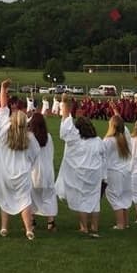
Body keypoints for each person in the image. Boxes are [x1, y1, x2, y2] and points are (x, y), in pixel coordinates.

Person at [0, 80, 40, 239]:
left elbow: (3, 110)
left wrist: (3, 89)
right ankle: (28, 229)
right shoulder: (30, 138)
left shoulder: (4, 133)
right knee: (25, 201)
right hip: (22, 173)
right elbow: (34, 155)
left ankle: (4, 228)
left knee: (5, 199)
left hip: (5, 172)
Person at [56, 95, 106, 237]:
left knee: (82, 200)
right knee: (94, 201)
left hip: (79, 174)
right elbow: (103, 156)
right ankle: (94, 227)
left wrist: (65, 105)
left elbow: (66, 125)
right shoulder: (97, 141)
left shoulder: (75, 138)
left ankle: (84, 227)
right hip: (94, 174)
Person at [102, 108, 132, 230]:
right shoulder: (126, 138)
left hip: (114, 172)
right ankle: (125, 223)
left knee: (115, 198)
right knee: (124, 197)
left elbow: (102, 157)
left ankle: (120, 224)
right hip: (126, 172)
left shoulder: (108, 141)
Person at [28, 113, 57, 232]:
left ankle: (32, 221)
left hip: (34, 172)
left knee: (31, 197)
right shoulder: (48, 137)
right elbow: (51, 153)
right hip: (47, 171)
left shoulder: (30, 137)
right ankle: (51, 222)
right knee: (48, 197)